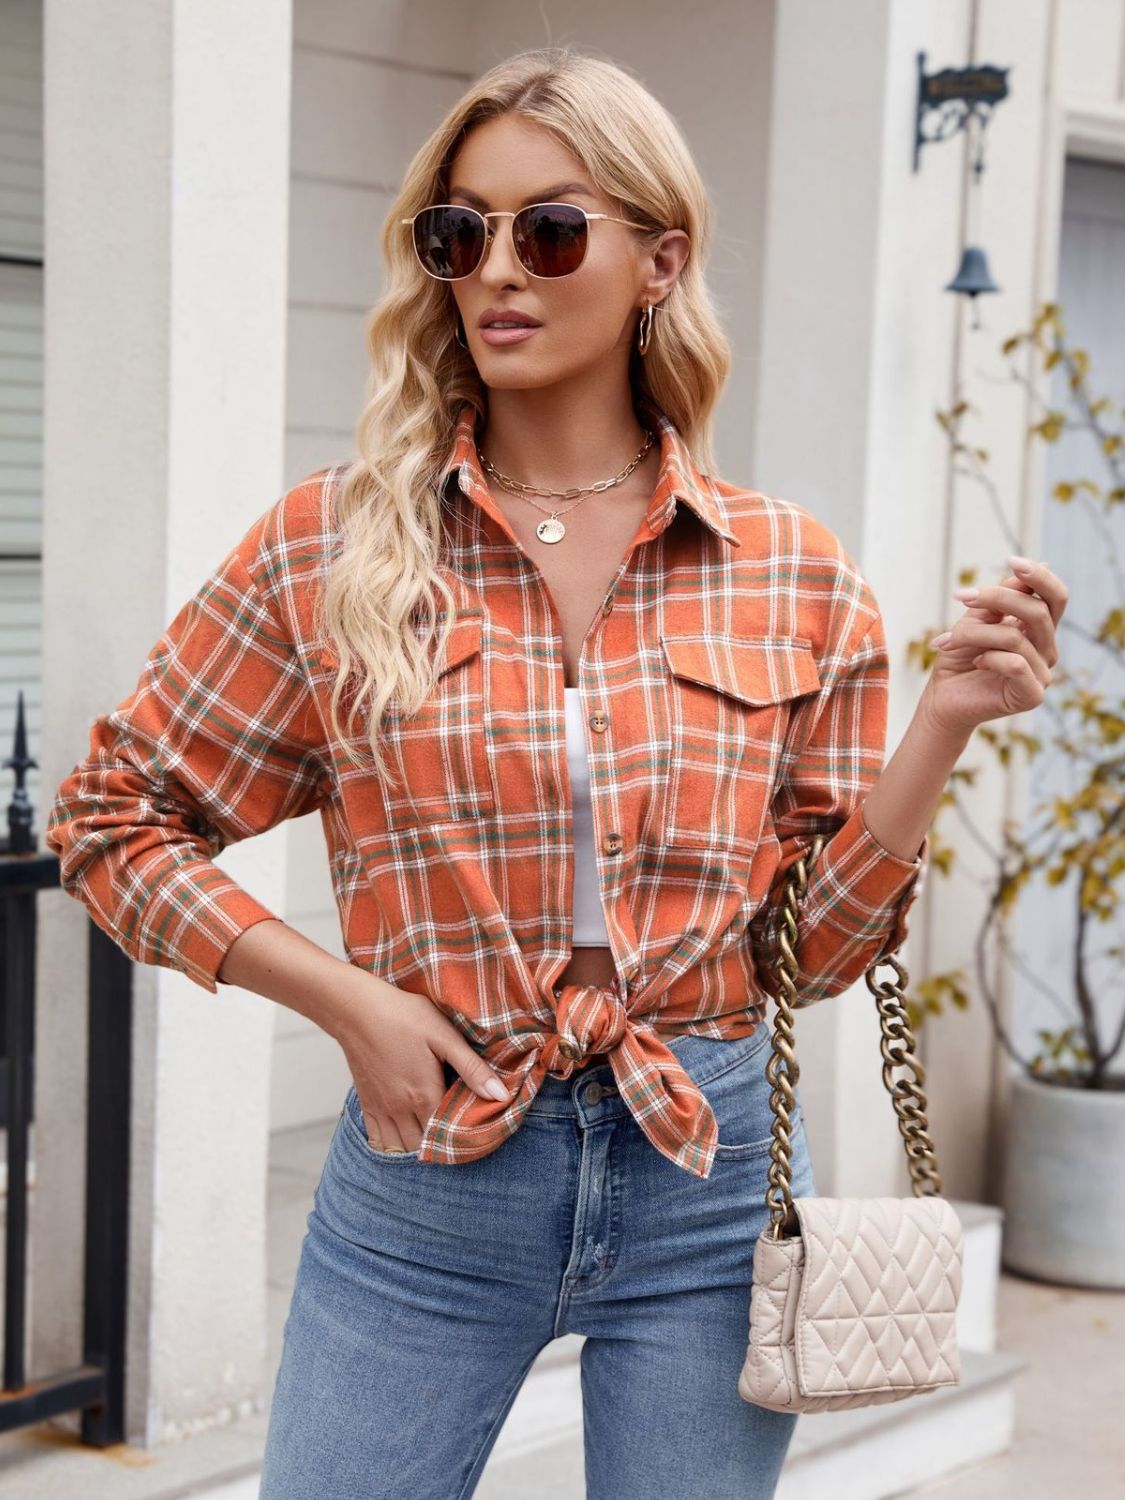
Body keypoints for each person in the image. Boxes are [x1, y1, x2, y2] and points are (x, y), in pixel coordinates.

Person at [45, 45, 1065, 1500]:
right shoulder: (333, 547)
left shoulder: (789, 570)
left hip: (701, 1186)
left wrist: (944, 724)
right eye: (459, 235)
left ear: (660, 258)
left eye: (550, 229)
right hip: (429, 1188)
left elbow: (815, 953)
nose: (498, 272)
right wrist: (342, 1003)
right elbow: (105, 820)